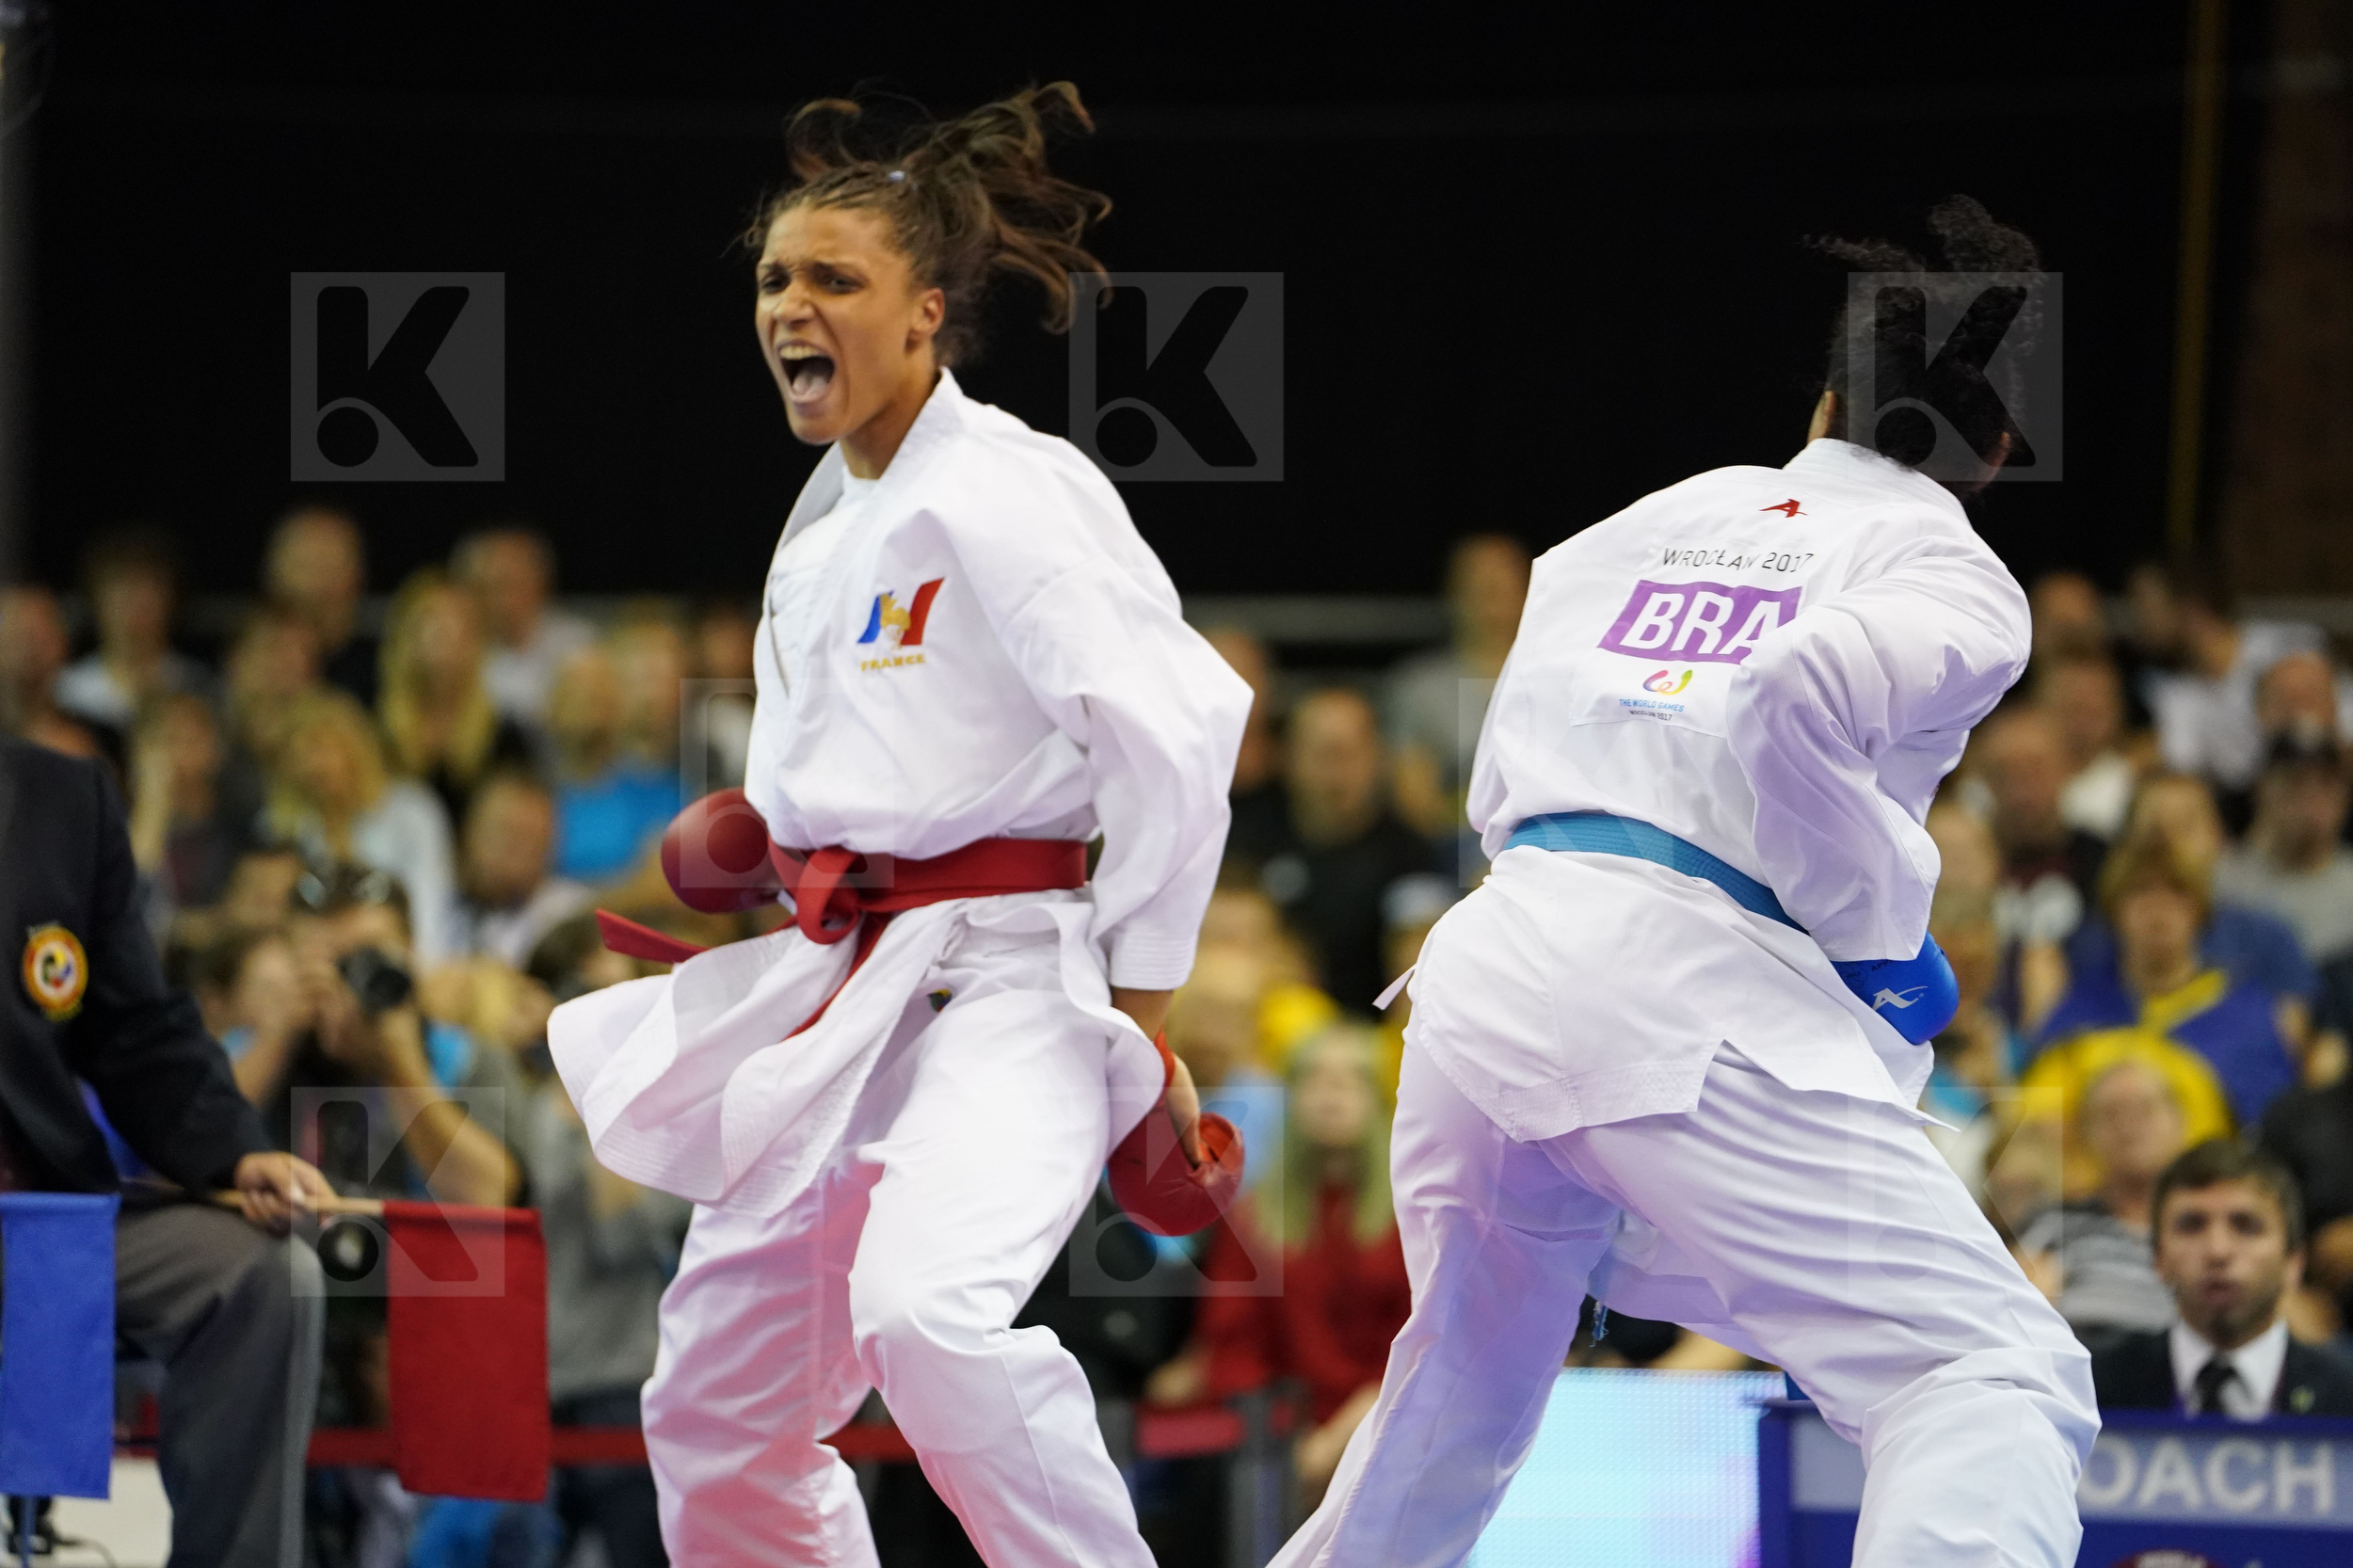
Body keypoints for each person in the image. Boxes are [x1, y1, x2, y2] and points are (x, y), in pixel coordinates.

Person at [1269, 198, 2096, 1568]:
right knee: (1989, 1371)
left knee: (1461, 1389)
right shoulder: (1956, 568)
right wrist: (1881, 932)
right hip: (1674, 994)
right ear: (1998, 448)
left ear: (1828, 400)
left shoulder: (1643, 522)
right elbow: (1792, 689)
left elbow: (1515, 765)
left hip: (1494, 966)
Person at [548, 84, 1249, 1568]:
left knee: (929, 1312)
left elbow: (1180, 733)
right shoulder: (822, 522)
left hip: (1014, 978)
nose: (790, 308)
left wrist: (1143, 1021)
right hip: (860, 976)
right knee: (716, 1409)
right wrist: (770, 838)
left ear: (927, 312)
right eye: (773, 281)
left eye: (834, 281)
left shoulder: (1008, 489)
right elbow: (844, 770)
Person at [0, 735, 329, 1568]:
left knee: (262, 1275)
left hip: (39, 1220)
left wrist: (231, 1150)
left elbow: (136, 1025)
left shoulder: (64, 797)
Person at [1149, 1026, 1411, 1505]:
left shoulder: (1414, 1221)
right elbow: (1234, 1345)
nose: (1332, 1094)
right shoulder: (1250, 1217)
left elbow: (1416, 1349)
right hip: (1272, 1441)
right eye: (1316, 1078)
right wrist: (1286, 1441)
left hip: (1388, 1430)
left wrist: (1336, 1444)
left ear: (1379, 1099)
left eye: (1351, 1079)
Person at [2035, 830, 2300, 1128]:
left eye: (2176, 892)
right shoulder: (2076, 1016)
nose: (2157, 911)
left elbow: (2269, 1134)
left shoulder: (2248, 1019)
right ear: (2113, 910)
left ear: (2200, 910)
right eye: (2139, 892)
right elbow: (2034, 1127)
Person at [2089, 1139, 2353, 1416]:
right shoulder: (2093, 1388)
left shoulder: (2345, 1392)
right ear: (2158, 1258)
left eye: (2246, 1226)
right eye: (2192, 1226)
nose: (2218, 1251)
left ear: (2294, 1262)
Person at [1225, 686, 1438, 1012]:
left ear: (1379, 758)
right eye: (1323, 754)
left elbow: (1420, 962)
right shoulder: (1248, 838)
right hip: (1263, 1021)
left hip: (1370, 1037)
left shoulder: (1411, 853)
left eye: (1350, 754)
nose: (1336, 773)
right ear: (1286, 756)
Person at [266, 689, 461, 966]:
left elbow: (431, 903)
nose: (312, 765)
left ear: (353, 747)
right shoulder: (289, 831)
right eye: (298, 755)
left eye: (320, 747)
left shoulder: (413, 812)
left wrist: (416, 970)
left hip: (405, 958)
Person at [2016, 1059, 2188, 1352]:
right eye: (2111, 1115)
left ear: (2180, 1119)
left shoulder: (2216, 1225)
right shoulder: (2051, 1224)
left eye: (2143, 1110)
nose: (2128, 1126)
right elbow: (2016, 1321)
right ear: (2087, 1135)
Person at [1384, 534, 1529, 843]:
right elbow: (1417, 804)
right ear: (1454, 593)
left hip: (1546, 847)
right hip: (1451, 853)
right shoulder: (1419, 687)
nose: (1491, 599)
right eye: (1479, 586)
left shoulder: (1561, 682)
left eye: (1502, 586)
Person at [377, 569, 536, 828]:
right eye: (432, 622)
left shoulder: (505, 738)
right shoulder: (374, 729)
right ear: (405, 636)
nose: (446, 635)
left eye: (458, 625)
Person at [55, 528, 214, 731]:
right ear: (96, 601)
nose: (137, 604)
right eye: (122, 591)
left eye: (149, 590)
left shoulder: (199, 688)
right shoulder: (69, 693)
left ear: (171, 600)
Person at [2215, 733, 2353, 965]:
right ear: (2261, 791)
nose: (2312, 798)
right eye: (2295, 782)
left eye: (2326, 783)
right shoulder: (2222, 881)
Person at [453, 526, 597, 731]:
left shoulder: (578, 647)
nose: (500, 600)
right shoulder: (461, 650)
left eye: (510, 584)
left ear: (540, 583)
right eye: (488, 587)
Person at [454, 772, 594, 967]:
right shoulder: (438, 902)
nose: (518, 854)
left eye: (532, 840)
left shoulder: (569, 912)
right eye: (507, 834)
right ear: (470, 831)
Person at [264, 504, 378, 705]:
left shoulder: (379, 672)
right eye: (306, 565)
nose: (319, 584)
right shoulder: (255, 665)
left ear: (357, 576)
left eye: (329, 567)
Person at [0, 584, 110, 760]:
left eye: (38, 639)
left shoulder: (96, 737)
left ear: (63, 644)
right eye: (16, 639)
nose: (28, 653)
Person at [2038, 653, 2136, 841]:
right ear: (2040, 706)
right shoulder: (1993, 783)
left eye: (2093, 707)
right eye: (2073, 706)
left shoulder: (2132, 785)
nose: (2082, 721)